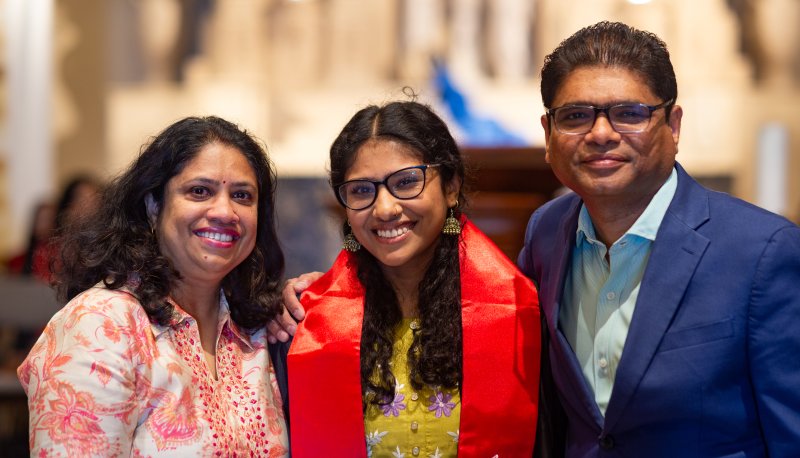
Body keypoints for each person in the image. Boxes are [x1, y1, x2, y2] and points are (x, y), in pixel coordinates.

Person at [517, 21, 800, 456]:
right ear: (548, 134)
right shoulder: (545, 233)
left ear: (673, 124)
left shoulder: (763, 252)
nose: (601, 134)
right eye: (575, 116)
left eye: (629, 113)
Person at [17, 116, 290, 456]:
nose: (225, 211)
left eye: (242, 195)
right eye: (200, 191)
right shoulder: (100, 326)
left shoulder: (257, 331)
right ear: (152, 205)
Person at [287, 100, 540, 457]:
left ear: (451, 186)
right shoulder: (306, 322)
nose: (385, 208)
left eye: (406, 182)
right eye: (361, 190)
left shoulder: (518, 312)